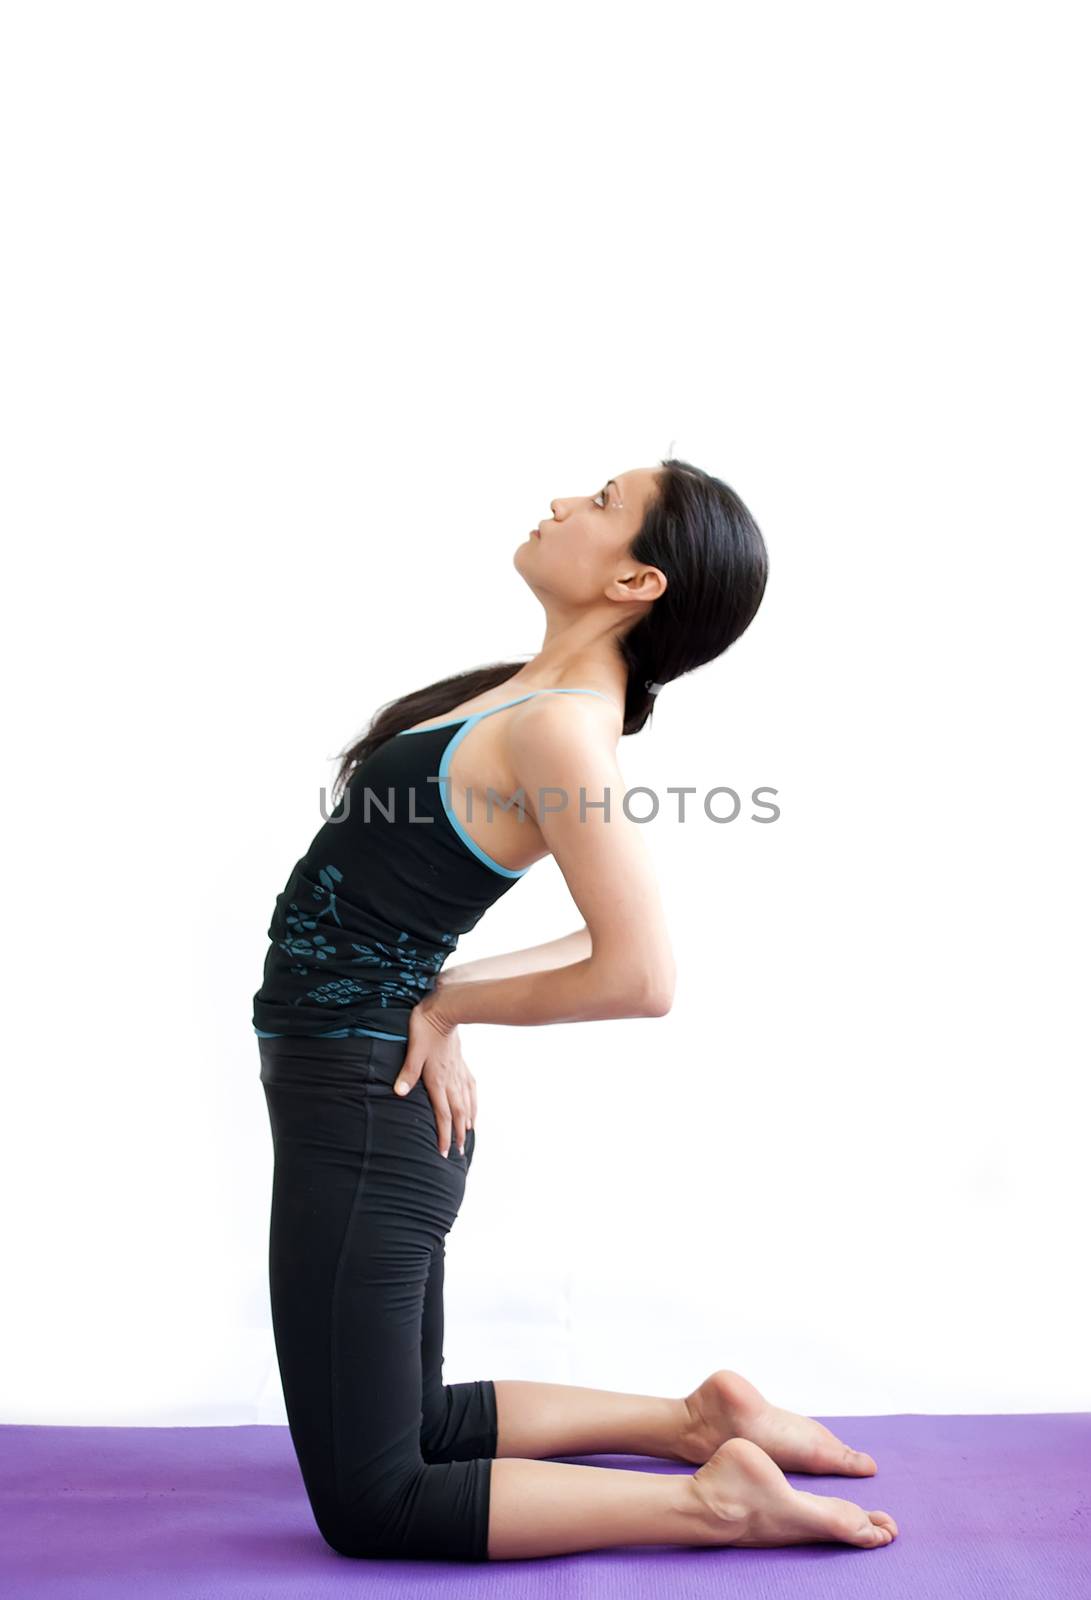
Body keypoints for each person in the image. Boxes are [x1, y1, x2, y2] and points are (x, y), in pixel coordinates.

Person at [253, 457, 899, 1562]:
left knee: (376, 1499)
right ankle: (696, 1423)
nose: (560, 502)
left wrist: (445, 997)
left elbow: (638, 971)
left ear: (637, 582)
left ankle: (713, 1503)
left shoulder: (558, 725)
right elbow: (599, 939)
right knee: (410, 1428)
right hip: (359, 1092)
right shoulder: (523, 695)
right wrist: (441, 1000)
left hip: (363, 1103)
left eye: (599, 503)